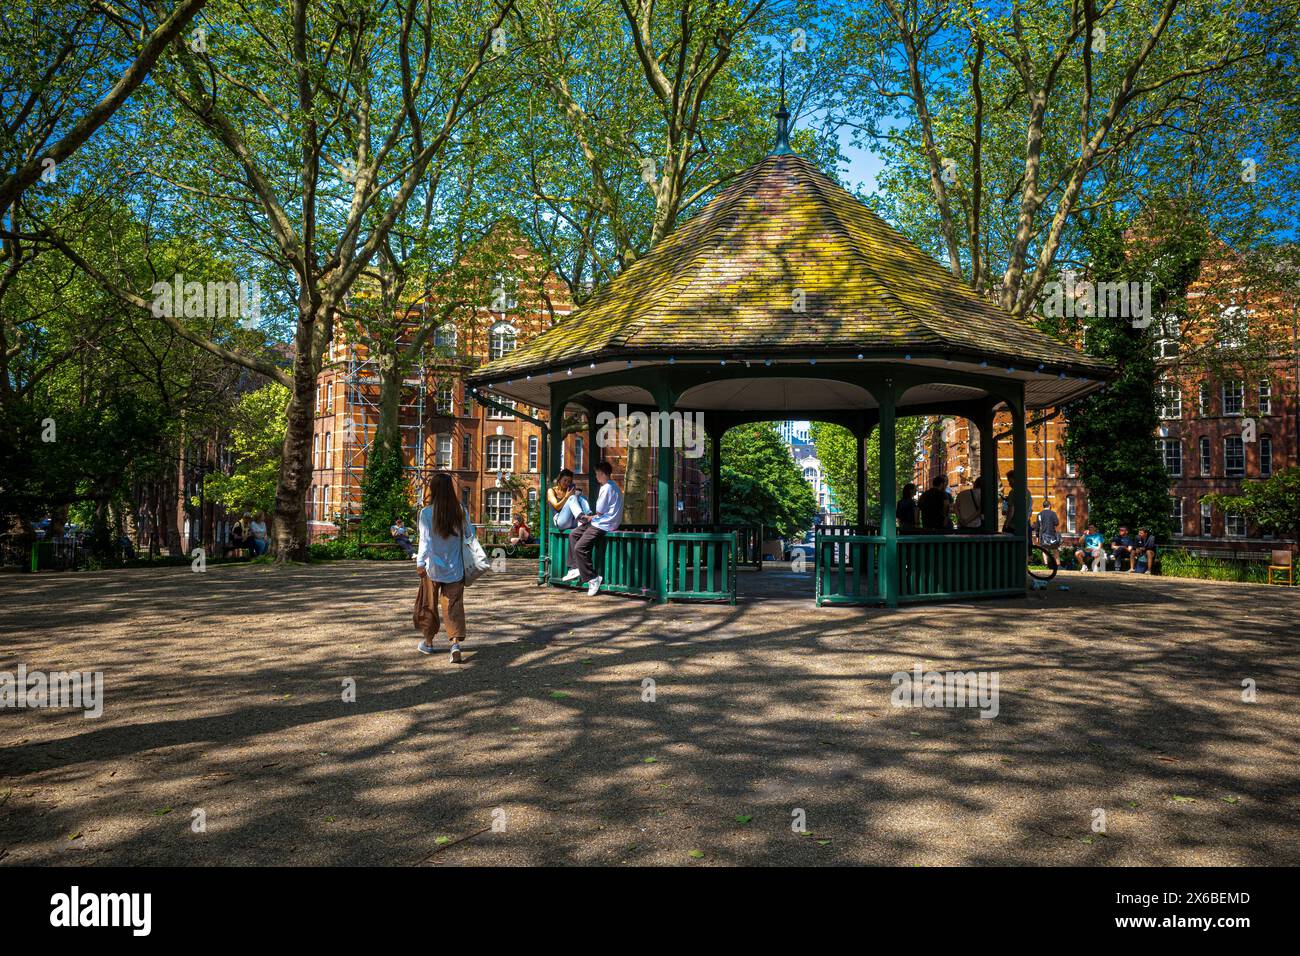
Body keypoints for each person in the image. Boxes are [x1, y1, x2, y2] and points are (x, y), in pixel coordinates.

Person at [414, 473, 474, 663]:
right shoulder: (460, 511)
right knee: (454, 606)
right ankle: (455, 644)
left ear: (433, 490)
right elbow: (470, 536)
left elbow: (425, 541)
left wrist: (420, 563)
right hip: (455, 567)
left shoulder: (426, 513)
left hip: (433, 567)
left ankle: (429, 642)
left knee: (428, 604)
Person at [561, 460, 622, 596]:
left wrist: (593, 517)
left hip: (603, 524)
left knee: (580, 548)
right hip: (603, 520)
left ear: (601, 473)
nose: (596, 477)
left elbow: (600, 510)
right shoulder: (614, 486)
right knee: (574, 534)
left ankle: (593, 578)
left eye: (596, 474)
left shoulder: (606, 487)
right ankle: (575, 567)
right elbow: (603, 512)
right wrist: (591, 517)